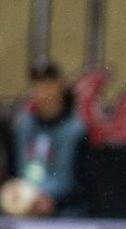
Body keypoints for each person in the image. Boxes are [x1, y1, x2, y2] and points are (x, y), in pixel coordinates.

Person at [7, 63, 89, 217]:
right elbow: (12, 173)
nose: (42, 92)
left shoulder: (76, 130)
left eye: (48, 85)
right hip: (22, 208)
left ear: (60, 88)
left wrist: (54, 202)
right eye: (38, 85)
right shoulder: (22, 126)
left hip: (63, 214)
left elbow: (82, 184)